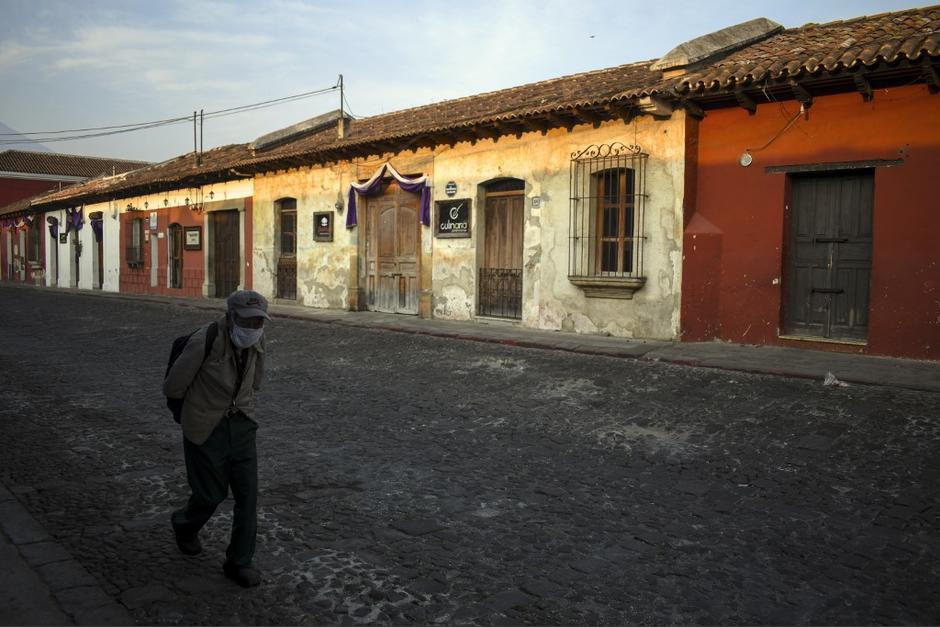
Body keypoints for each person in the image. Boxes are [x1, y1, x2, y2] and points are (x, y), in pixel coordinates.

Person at [163, 289, 270, 588]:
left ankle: (239, 562)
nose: (252, 328)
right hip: (206, 428)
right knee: (210, 494)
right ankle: (184, 525)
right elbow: (173, 387)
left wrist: (244, 410)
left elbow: (256, 381)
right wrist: (199, 409)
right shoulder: (205, 340)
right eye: (247, 322)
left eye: (258, 322)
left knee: (248, 498)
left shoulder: (259, 339)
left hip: (243, 427)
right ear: (230, 317)